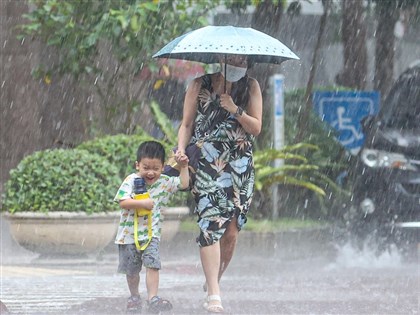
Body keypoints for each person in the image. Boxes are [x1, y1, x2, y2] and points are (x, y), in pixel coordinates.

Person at [175, 54, 263, 313]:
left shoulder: (251, 86)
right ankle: (214, 291)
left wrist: (235, 109)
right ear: (221, 58)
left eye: (242, 59)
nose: (238, 62)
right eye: (233, 58)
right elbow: (187, 124)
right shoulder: (198, 85)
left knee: (231, 233)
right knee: (210, 224)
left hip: (239, 165)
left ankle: (215, 278)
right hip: (207, 163)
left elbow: (256, 128)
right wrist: (181, 148)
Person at [114, 140, 189, 313]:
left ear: (163, 167)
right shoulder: (131, 180)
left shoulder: (164, 182)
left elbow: (183, 184)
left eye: (155, 168)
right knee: (132, 270)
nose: (150, 172)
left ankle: (153, 298)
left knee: (153, 265)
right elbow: (123, 202)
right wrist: (142, 204)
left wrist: (184, 166)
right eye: (146, 167)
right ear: (137, 165)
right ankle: (134, 296)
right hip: (128, 235)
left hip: (151, 235)